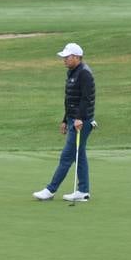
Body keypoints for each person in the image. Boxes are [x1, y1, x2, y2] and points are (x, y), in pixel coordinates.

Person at [33, 42, 96, 202]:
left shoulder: (84, 74)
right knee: (79, 155)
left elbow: (86, 99)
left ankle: (50, 190)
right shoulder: (73, 72)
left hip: (82, 122)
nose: (64, 60)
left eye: (67, 57)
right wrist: (64, 120)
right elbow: (71, 100)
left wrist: (79, 118)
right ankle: (83, 191)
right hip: (72, 120)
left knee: (66, 156)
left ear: (76, 57)